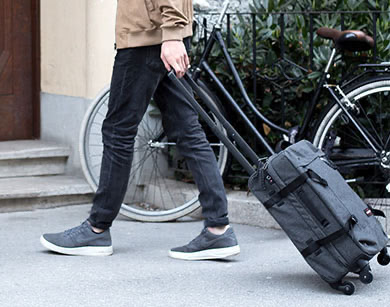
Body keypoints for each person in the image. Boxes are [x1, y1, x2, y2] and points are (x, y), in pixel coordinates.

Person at [40, 0, 240, 260]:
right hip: (160, 35)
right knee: (187, 131)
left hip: (146, 39)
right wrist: (173, 34)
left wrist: (171, 35)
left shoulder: (157, 35)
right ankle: (217, 228)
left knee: (118, 131)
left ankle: (96, 228)